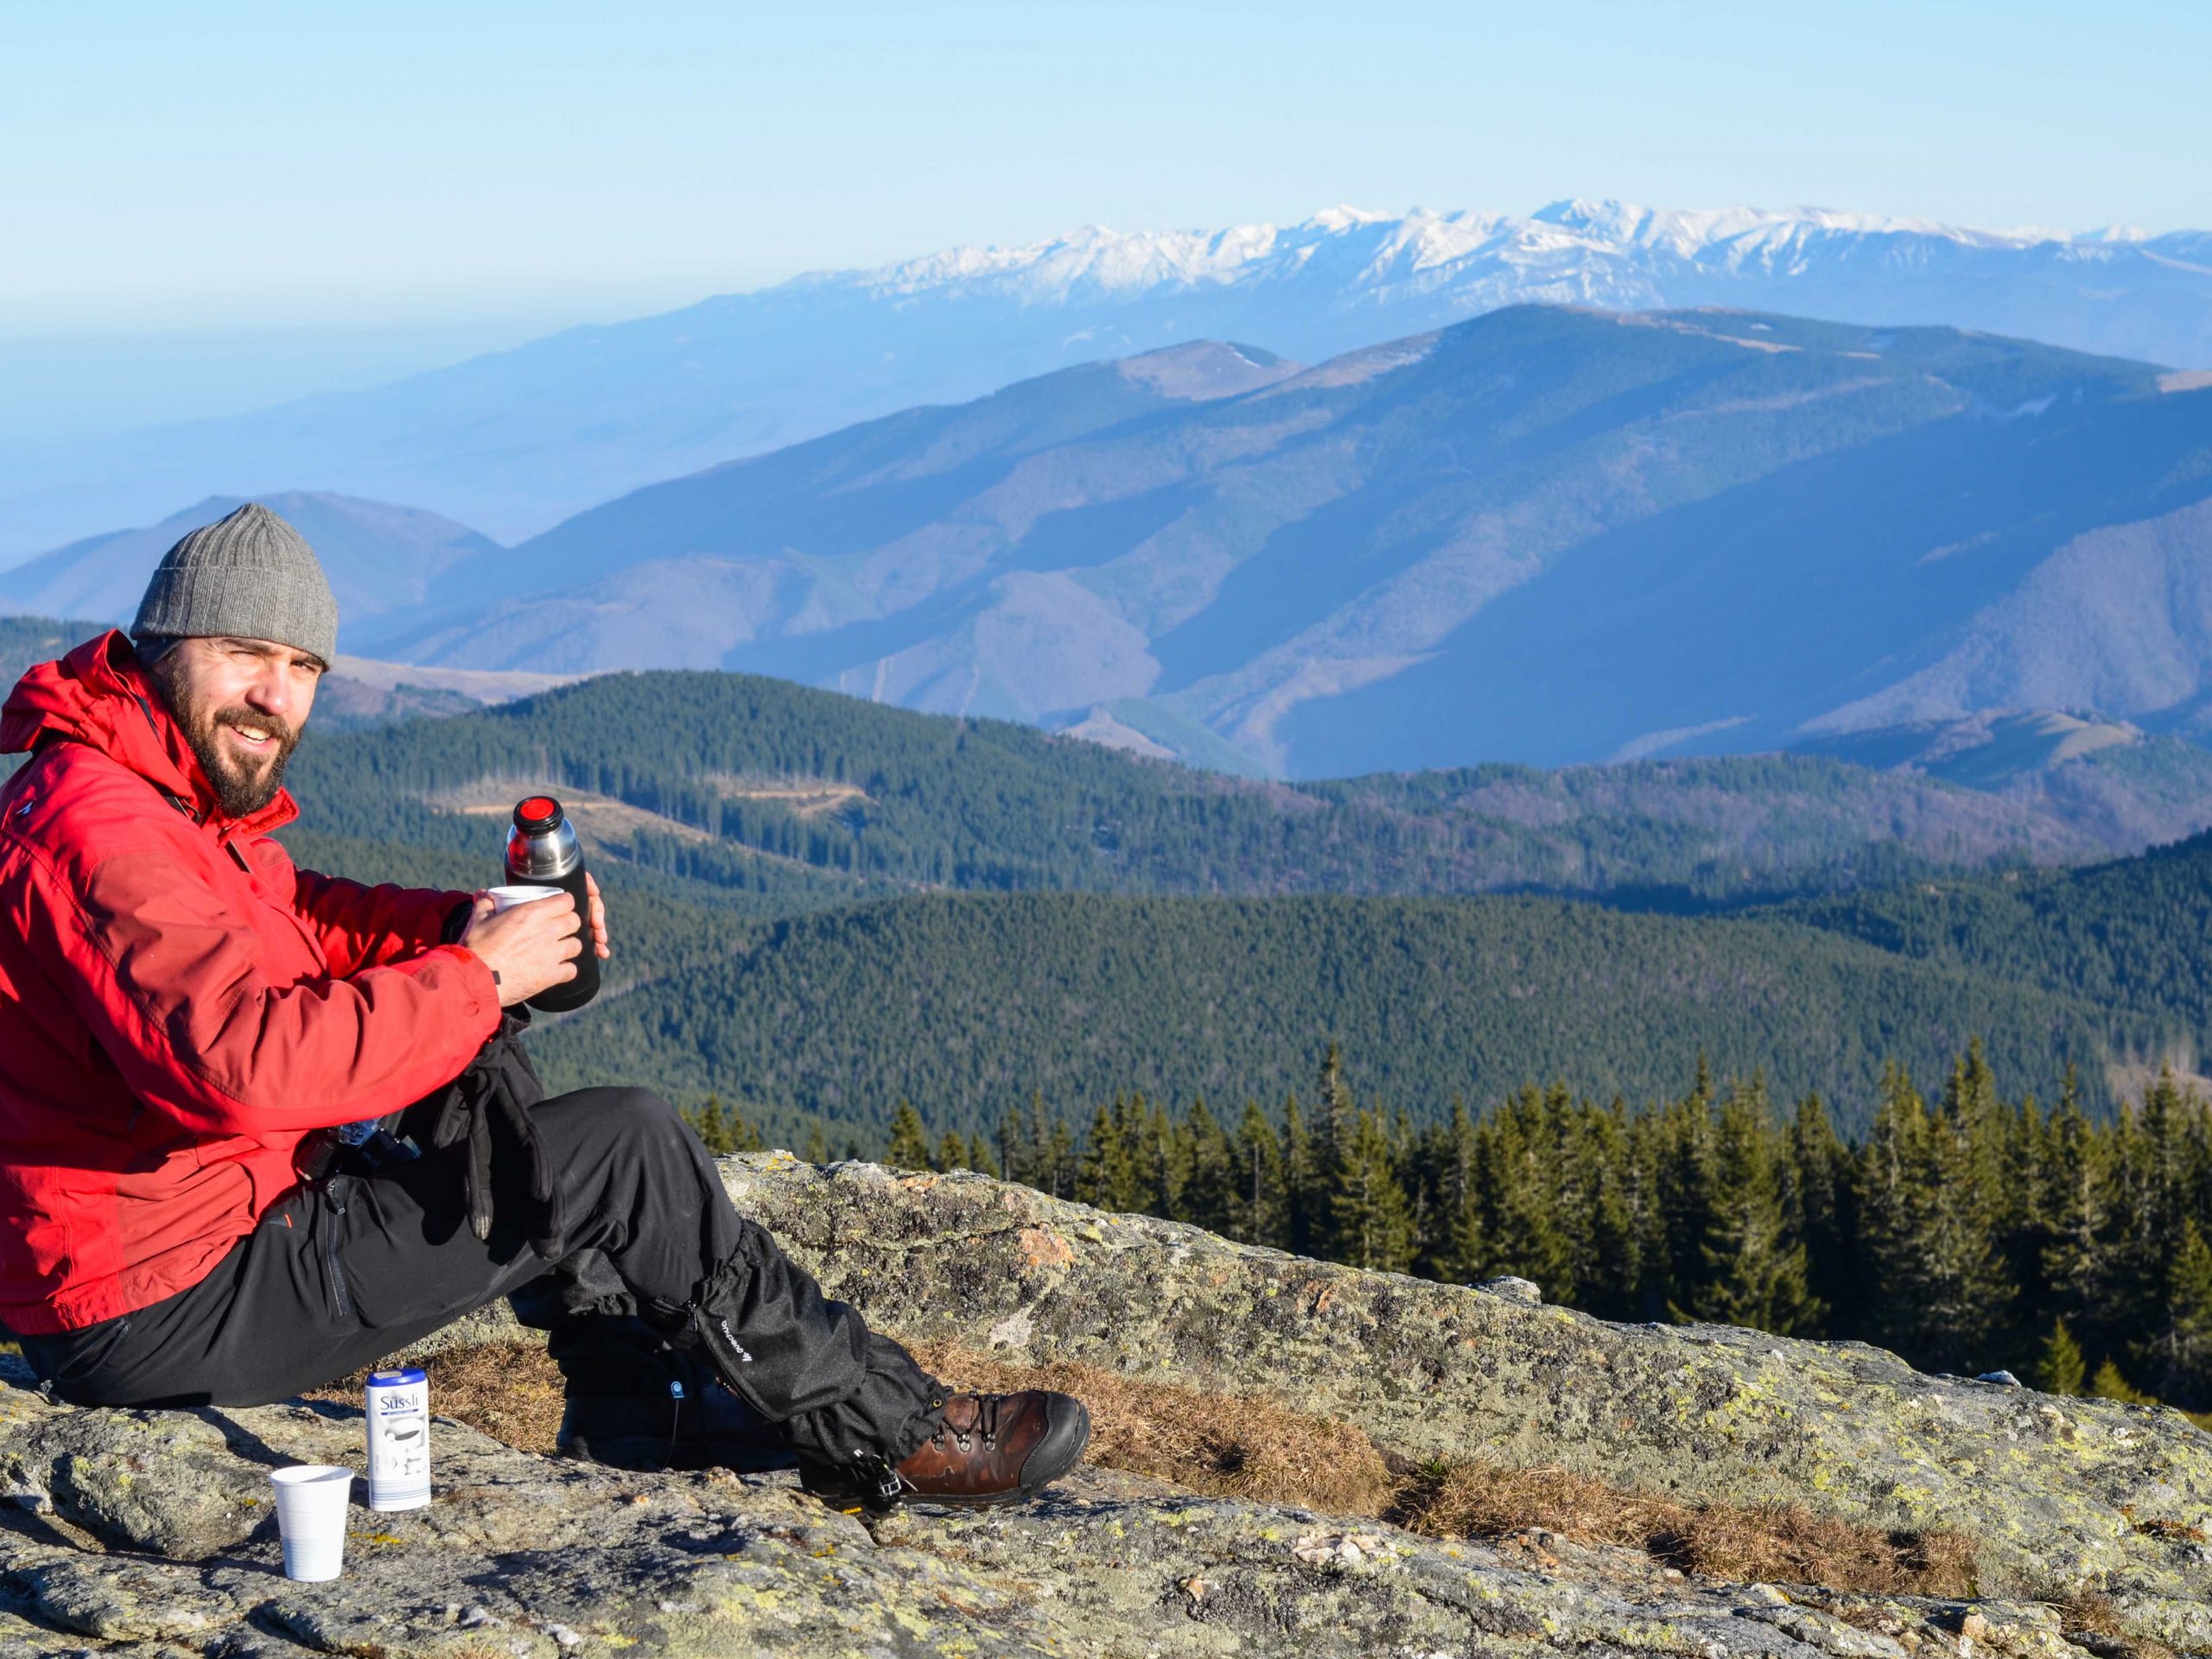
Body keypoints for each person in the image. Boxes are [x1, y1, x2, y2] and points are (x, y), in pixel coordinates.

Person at [0, 502, 1087, 1511]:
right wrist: (478, 978)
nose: (275, 697)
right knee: (623, 1145)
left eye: (301, 666)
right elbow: (240, 1067)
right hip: (163, 1300)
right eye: (245, 653)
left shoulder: (148, 791)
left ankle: (637, 1409)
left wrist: (466, 927)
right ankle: (892, 1430)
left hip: (181, 1245)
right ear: (160, 644)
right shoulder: (103, 829)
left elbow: (292, 916)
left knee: (481, 1094)